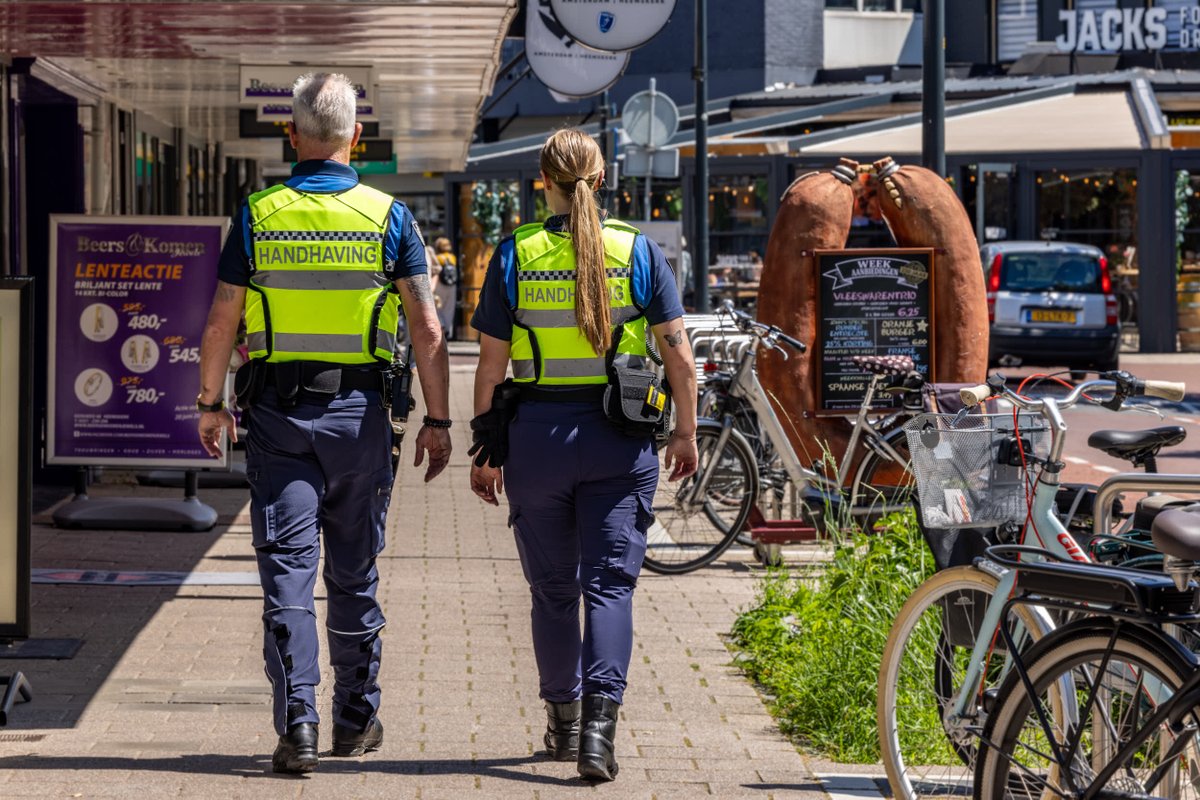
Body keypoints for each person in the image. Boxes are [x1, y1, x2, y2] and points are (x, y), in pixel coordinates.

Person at [196, 72, 452, 775]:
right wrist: (440, 420)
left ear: (292, 136)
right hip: (362, 421)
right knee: (354, 573)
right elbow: (427, 329)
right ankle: (355, 719)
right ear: (356, 138)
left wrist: (208, 403)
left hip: (278, 419)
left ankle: (298, 726)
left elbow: (221, 318)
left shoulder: (257, 215)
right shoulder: (390, 218)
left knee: (287, 574)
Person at [467, 128, 698, 782]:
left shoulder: (514, 254)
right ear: (601, 181)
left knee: (551, 593)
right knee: (609, 588)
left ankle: (563, 723)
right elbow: (678, 354)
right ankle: (600, 735)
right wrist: (687, 430)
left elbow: (489, 365)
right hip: (619, 442)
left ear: (544, 181)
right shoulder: (639, 252)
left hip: (537, 442)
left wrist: (485, 453)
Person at [432, 237, 457, 339]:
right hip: (451, 285)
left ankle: (441, 326)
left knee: (437, 308)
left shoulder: (437, 258)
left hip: (439, 284)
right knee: (449, 309)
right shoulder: (452, 257)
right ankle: (447, 329)